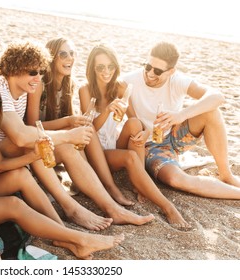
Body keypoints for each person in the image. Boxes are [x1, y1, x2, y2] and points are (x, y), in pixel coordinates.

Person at [0, 75, 125, 259]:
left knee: (22, 175)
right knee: (14, 204)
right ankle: (79, 238)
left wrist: (33, 156)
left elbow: (0, 165)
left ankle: (63, 235)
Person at [0, 40, 154, 230]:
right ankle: (75, 208)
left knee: (65, 146)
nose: (37, 78)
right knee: (48, 140)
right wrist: (68, 133)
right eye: (32, 72)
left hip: (20, 153)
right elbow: (21, 136)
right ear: (13, 69)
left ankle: (111, 208)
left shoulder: (22, 91)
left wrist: (68, 134)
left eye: (40, 72)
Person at [78, 43, 189, 228]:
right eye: (100, 67)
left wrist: (146, 132)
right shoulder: (85, 90)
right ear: (92, 68)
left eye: (110, 66)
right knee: (126, 155)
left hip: (113, 145)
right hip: (94, 151)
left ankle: (140, 184)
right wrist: (106, 110)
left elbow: (133, 119)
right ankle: (167, 206)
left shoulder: (120, 88)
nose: (106, 71)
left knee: (135, 124)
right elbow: (89, 130)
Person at [123, 41, 240, 199]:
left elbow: (217, 97)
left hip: (175, 134)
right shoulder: (130, 80)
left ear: (171, 71)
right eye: (147, 66)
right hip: (150, 144)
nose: (150, 74)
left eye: (157, 71)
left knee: (211, 112)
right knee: (175, 180)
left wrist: (181, 115)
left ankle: (226, 175)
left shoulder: (177, 80)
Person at [27, 37, 133, 207]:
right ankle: (104, 186)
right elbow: (32, 126)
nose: (70, 58)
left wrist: (74, 122)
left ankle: (103, 185)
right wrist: (69, 120)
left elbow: (70, 124)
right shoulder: (40, 84)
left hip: (57, 141)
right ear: (51, 57)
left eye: (72, 53)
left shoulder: (69, 84)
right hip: (39, 143)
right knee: (80, 126)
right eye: (63, 54)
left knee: (84, 126)